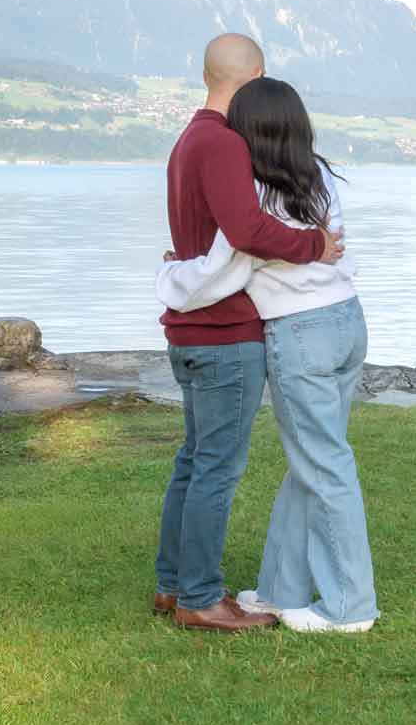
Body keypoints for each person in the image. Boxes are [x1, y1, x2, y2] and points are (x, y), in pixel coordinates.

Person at [157, 75, 377, 634]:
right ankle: (281, 587)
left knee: (325, 465)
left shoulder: (256, 191)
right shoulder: (319, 174)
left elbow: (219, 274)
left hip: (301, 331)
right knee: (313, 461)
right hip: (348, 321)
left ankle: (351, 608)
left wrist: (171, 272)